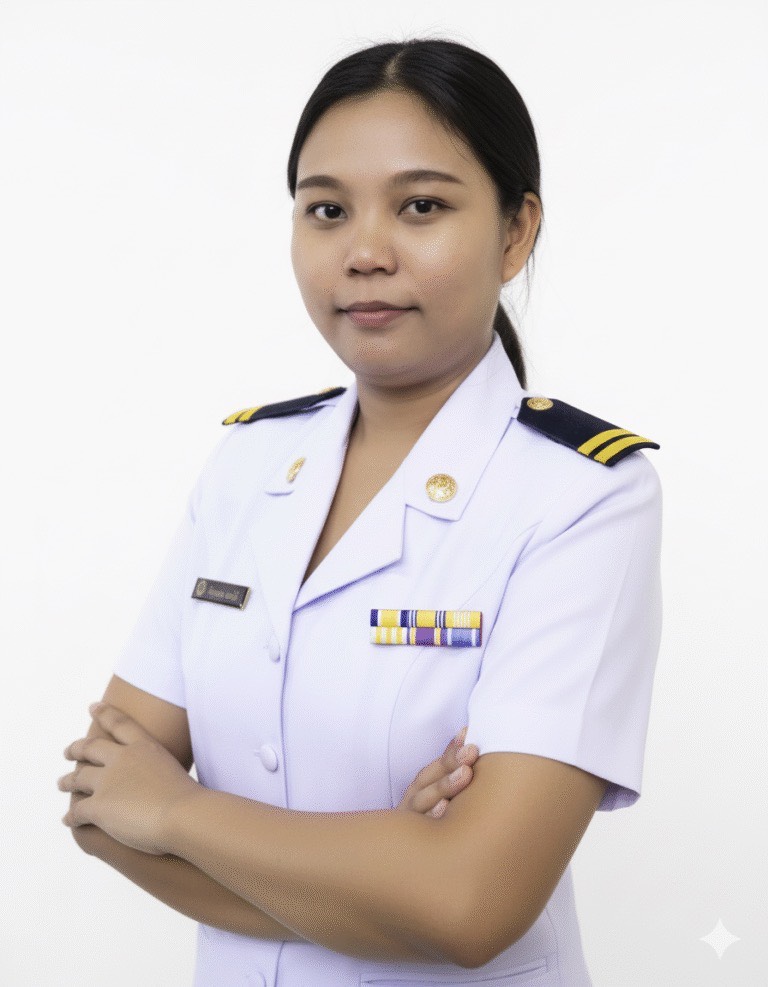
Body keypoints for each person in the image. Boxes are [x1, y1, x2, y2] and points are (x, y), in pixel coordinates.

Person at [73, 37, 663, 986]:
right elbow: (101, 805)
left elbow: (472, 906)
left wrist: (177, 811)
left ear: (516, 232)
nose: (365, 253)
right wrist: (393, 866)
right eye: (327, 210)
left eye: (421, 206)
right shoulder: (247, 464)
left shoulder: (583, 494)